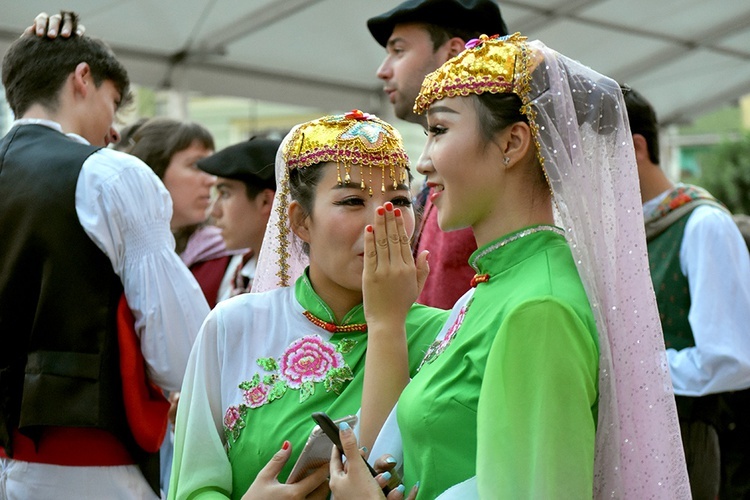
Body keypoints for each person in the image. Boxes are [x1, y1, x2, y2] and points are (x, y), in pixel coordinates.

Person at [329, 34, 691, 499]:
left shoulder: (538, 306)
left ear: (512, 143)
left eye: (438, 131)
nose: (422, 164)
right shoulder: (493, 286)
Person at [168, 111, 449, 499]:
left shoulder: (446, 337)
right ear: (301, 221)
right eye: (352, 200)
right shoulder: (233, 327)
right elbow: (192, 486)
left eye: (400, 199)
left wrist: (389, 325)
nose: (384, 222)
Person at [0, 12, 209, 498]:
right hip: (87, 469)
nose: (114, 129)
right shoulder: (110, 174)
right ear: (82, 79)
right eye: (112, 104)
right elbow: (183, 353)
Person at [623, 87, 750, 500]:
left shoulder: (703, 224)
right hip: (630, 434)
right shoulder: (620, 231)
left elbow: (731, 358)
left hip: (685, 436)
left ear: (637, 147)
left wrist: (630, 372)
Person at [368, 0, 509, 310]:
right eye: (432, 132)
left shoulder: (493, 180)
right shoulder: (452, 177)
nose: (382, 70)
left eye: (398, 51)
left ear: (454, 53)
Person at [126, 117, 241, 308]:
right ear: (152, 171)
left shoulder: (228, 255)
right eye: (196, 165)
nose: (212, 180)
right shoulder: (118, 250)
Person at [196, 137, 281, 301]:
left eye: (225, 194)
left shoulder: (295, 282)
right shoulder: (241, 271)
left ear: (266, 201)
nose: (214, 211)